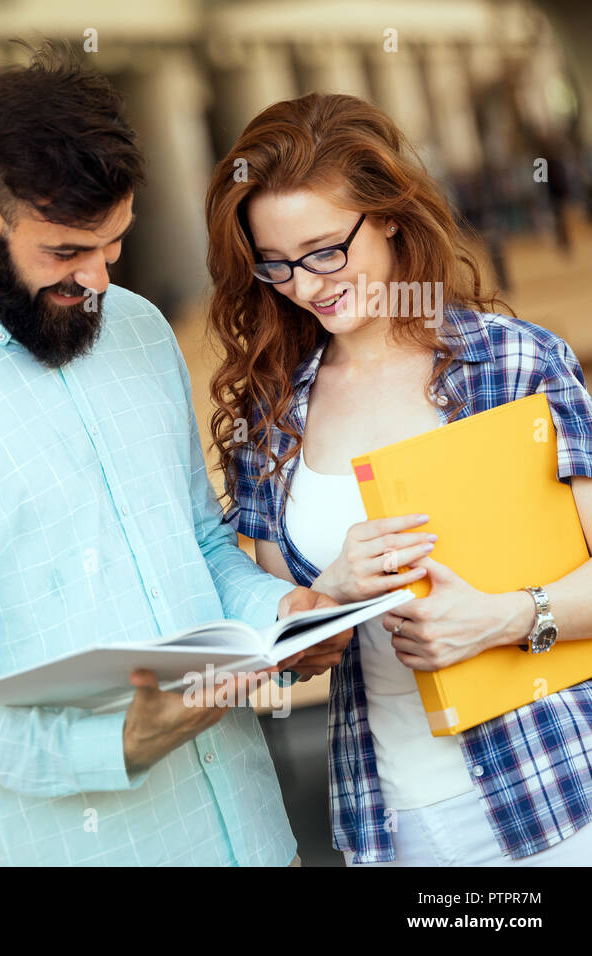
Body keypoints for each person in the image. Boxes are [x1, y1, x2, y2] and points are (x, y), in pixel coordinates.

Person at [0, 40, 343, 867]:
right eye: (65, 253)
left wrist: (279, 619)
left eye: (114, 245)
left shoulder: (136, 328)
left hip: (253, 833)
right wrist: (109, 750)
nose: (97, 280)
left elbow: (200, 547)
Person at [207, 92, 592, 866]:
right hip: (392, 821)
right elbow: (272, 642)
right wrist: (335, 589)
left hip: (563, 788)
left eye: (325, 251)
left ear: (386, 214)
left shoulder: (512, 365)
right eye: (275, 264)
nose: (307, 285)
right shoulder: (271, 410)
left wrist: (509, 617)